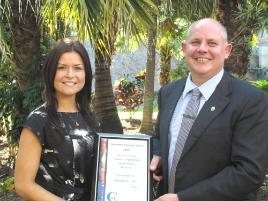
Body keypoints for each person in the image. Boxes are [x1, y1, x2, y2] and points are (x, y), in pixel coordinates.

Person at [150, 18, 268, 201]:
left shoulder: (250, 100)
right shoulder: (168, 93)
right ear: (184, 48)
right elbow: (159, 134)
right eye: (195, 42)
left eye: (212, 43)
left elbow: (248, 172)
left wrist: (183, 198)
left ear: (227, 51)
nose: (202, 49)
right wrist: (157, 153)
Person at [15, 38, 98, 201]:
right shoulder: (38, 121)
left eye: (77, 68)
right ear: (51, 72)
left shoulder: (90, 118)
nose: (70, 75)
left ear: (86, 74)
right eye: (61, 68)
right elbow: (23, 185)